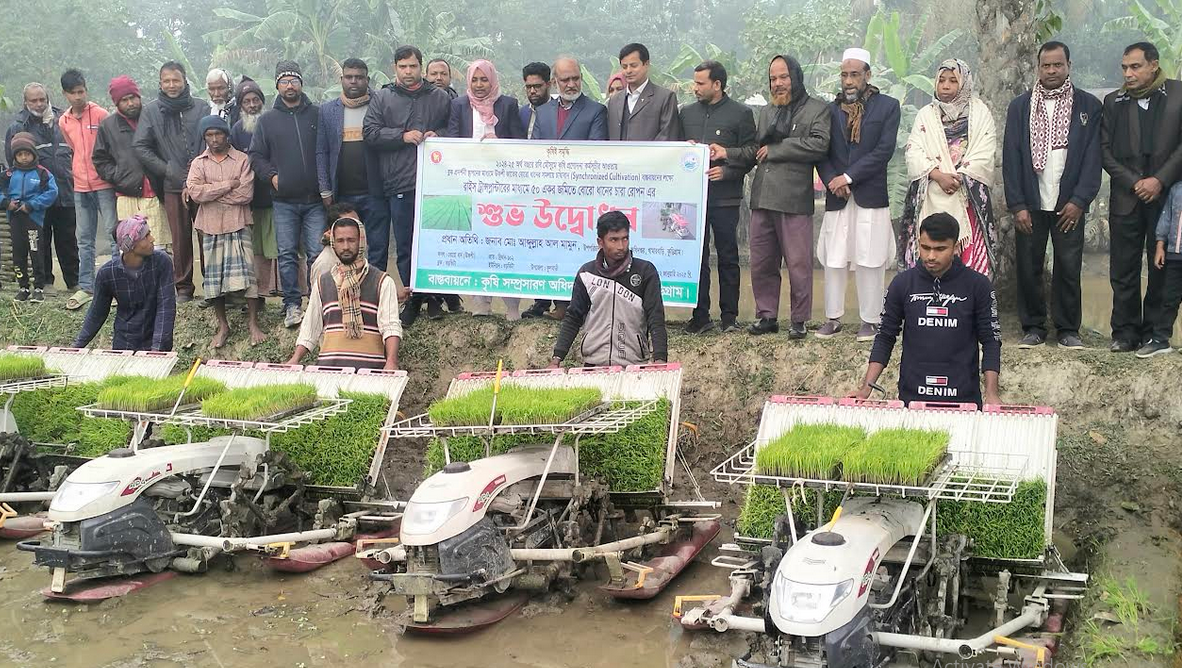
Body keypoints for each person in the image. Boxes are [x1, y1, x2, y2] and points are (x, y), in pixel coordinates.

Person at [1004, 41, 1102, 351]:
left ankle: (1068, 330)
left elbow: (1092, 159)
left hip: (1068, 205)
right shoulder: (1020, 106)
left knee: (1069, 266)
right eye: (1046, 65)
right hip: (1030, 204)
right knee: (1029, 266)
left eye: (1057, 65)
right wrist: (1017, 204)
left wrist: (1079, 201)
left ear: (1068, 66)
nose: (1051, 70)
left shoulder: (1087, 106)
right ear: (1038, 68)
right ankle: (1033, 327)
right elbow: (1011, 158)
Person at [724, 55, 829, 340]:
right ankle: (767, 315)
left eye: (783, 77)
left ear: (795, 77)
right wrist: (725, 155)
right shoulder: (769, 112)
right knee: (761, 262)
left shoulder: (816, 110)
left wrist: (777, 149)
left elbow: (819, 144)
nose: (778, 84)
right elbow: (755, 151)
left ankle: (798, 320)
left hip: (793, 199)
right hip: (762, 197)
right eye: (773, 79)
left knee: (798, 263)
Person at [851, 213, 1001, 407]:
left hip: (964, 401)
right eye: (925, 248)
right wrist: (866, 388)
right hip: (912, 399)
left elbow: (991, 340)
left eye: (940, 249)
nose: (931, 256)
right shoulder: (902, 284)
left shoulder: (978, 285)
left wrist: (992, 394)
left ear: (956, 247)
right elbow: (885, 335)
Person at [816, 48, 901, 342]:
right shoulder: (828, 110)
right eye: (844, 74)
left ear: (867, 75)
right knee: (835, 257)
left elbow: (883, 151)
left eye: (854, 74)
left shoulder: (888, 107)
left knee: (870, 256)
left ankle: (870, 320)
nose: (848, 80)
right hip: (837, 195)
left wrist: (849, 176)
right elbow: (821, 152)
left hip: (870, 193)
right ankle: (833, 318)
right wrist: (832, 179)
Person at [363, 45, 452, 325]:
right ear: (395, 69)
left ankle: (435, 297)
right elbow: (370, 133)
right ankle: (413, 298)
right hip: (398, 181)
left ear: (421, 67)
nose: (408, 72)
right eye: (403, 67)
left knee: (434, 241)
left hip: (436, 183)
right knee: (405, 243)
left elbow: (456, 128)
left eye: (413, 66)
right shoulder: (383, 97)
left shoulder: (439, 97)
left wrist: (439, 135)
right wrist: (401, 136)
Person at [1103, 42, 1182, 354]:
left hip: (1167, 199)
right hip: (1126, 197)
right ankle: (1124, 333)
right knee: (1123, 268)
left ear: (1154, 65)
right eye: (1124, 68)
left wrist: (1159, 180)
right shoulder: (1113, 101)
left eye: (1135, 67)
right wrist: (1136, 182)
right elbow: (1104, 150)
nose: (1128, 74)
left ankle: (1154, 334)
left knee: (1161, 267)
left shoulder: (1178, 95)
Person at [522, 56, 609, 321]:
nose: (571, 84)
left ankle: (578, 307)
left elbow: (596, 152)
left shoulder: (596, 111)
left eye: (575, 78)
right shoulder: (544, 111)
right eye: (565, 80)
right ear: (554, 82)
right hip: (548, 197)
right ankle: (558, 305)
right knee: (552, 249)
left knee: (578, 251)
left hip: (580, 198)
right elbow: (535, 149)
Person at [900, 59, 998, 279]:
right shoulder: (925, 114)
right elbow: (913, 151)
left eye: (953, 81)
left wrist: (958, 178)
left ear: (964, 84)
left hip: (966, 197)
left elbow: (985, 151)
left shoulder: (980, 113)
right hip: (930, 196)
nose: (945, 86)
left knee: (967, 259)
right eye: (942, 80)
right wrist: (938, 175)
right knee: (931, 252)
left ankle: (967, 305)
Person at [680, 60, 756, 334]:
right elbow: (676, 152)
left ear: (717, 85)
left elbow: (751, 154)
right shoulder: (686, 113)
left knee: (727, 255)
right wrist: (684, 151)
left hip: (725, 198)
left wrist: (727, 169)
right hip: (692, 200)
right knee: (695, 257)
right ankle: (700, 316)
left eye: (700, 83)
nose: (695, 88)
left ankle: (729, 317)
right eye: (695, 82)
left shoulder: (740, 114)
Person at [448, 59, 526, 320]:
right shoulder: (458, 105)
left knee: (506, 246)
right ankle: (481, 304)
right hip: (470, 190)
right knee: (477, 245)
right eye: (475, 80)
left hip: (504, 192)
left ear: (492, 80)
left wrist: (499, 144)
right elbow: (451, 144)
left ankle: (512, 307)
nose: (480, 85)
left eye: (484, 80)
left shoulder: (508, 104)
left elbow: (519, 143)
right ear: (468, 82)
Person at [248, 60, 324, 329]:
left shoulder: (317, 114)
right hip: (283, 201)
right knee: (287, 252)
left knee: (317, 253)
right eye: (284, 81)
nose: (289, 86)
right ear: (277, 86)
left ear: (301, 84)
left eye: (294, 81)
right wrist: (272, 176)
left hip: (316, 200)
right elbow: (255, 155)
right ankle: (292, 304)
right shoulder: (267, 120)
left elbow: (327, 149)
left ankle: (319, 303)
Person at [549, 211, 668, 368]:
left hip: (633, 365)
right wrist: (557, 358)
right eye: (614, 240)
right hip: (593, 364)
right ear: (600, 242)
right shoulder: (586, 274)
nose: (621, 246)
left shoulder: (645, 271)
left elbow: (655, 316)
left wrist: (660, 359)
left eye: (625, 239)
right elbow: (573, 317)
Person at [132, 61, 207, 304]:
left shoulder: (201, 107)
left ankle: (214, 285)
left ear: (185, 80)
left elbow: (211, 139)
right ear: (160, 83)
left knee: (208, 234)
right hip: (173, 184)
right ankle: (183, 287)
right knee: (180, 237)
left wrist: (198, 170)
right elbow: (140, 146)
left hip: (204, 183)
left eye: (176, 80)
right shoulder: (151, 111)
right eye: (167, 81)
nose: (172, 85)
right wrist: (167, 169)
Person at [187, 115, 265, 348]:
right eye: (209, 135)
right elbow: (194, 193)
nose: (214, 139)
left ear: (227, 135)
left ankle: (253, 323)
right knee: (214, 280)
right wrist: (226, 185)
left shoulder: (242, 160)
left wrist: (211, 192)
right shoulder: (198, 163)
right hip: (209, 226)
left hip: (237, 223)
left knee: (248, 275)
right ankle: (223, 326)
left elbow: (245, 195)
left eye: (218, 134)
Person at [288, 212, 403, 369]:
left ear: (361, 241)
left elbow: (390, 326)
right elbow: (310, 328)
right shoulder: (323, 282)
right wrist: (295, 359)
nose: (346, 247)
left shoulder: (382, 281)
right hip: (329, 372)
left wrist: (391, 361)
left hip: (370, 373)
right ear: (333, 243)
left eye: (351, 240)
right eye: (340, 241)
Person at [317, 57, 391, 298]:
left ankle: (374, 296)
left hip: (375, 191)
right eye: (349, 77)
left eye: (359, 77)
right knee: (345, 246)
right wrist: (325, 189)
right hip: (343, 195)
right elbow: (322, 150)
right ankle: (347, 294)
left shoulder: (379, 105)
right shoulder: (328, 110)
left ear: (367, 80)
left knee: (377, 246)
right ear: (341, 80)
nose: (354, 81)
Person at [4, 83, 78, 297]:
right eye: (33, 100)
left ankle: (74, 283)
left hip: (65, 190)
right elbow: (13, 165)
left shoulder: (64, 120)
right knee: (40, 241)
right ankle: (45, 282)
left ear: (48, 98)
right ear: (25, 102)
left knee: (68, 240)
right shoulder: (18, 127)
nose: (38, 104)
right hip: (34, 200)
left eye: (42, 99)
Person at [59, 69, 120, 307]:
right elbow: (73, 147)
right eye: (73, 93)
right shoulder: (64, 121)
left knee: (115, 234)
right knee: (84, 238)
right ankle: (86, 286)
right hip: (80, 186)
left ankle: (118, 285)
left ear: (86, 89)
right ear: (65, 94)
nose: (78, 97)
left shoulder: (101, 115)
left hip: (104, 184)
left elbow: (112, 146)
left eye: (81, 91)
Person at [73, 214, 176, 352]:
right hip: (124, 344)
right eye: (146, 236)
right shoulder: (107, 274)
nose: (153, 239)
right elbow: (97, 313)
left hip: (156, 341)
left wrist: (157, 350)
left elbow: (166, 307)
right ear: (131, 245)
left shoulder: (162, 262)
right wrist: (76, 347)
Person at [93, 75, 171, 253]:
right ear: (116, 103)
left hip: (156, 194)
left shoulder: (154, 116)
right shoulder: (108, 126)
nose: (130, 103)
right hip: (126, 195)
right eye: (124, 100)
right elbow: (100, 159)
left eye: (133, 98)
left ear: (139, 96)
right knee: (129, 249)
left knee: (158, 248)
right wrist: (119, 175)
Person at [229, 78, 279, 303]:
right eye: (247, 101)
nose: (252, 105)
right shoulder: (237, 131)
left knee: (280, 246)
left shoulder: (273, 123)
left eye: (256, 100)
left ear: (262, 101)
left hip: (277, 196)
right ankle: (260, 294)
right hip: (250, 200)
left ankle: (284, 293)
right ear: (241, 106)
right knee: (256, 248)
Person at [2, 133, 59, 302]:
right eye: (20, 154)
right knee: (18, 254)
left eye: (27, 154)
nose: (24, 157)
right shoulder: (8, 175)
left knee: (36, 252)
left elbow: (52, 192)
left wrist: (32, 204)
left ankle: (39, 288)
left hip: (34, 218)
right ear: (15, 156)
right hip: (15, 218)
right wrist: (6, 203)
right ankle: (23, 287)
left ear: (34, 154)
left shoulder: (42, 173)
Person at [607, 43, 681, 141]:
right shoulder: (614, 101)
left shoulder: (665, 98)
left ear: (646, 64)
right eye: (624, 67)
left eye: (633, 66)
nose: (628, 71)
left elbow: (666, 136)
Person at [1142, 181, 1182, 357]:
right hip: (1175, 254)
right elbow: (1166, 219)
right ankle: (1160, 339)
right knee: (1169, 298)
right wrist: (1160, 246)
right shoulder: (1176, 189)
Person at [520, 62, 552, 139]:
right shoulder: (521, 113)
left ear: (549, 85)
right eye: (528, 87)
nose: (532, 91)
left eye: (537, 86)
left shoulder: (559, 113)